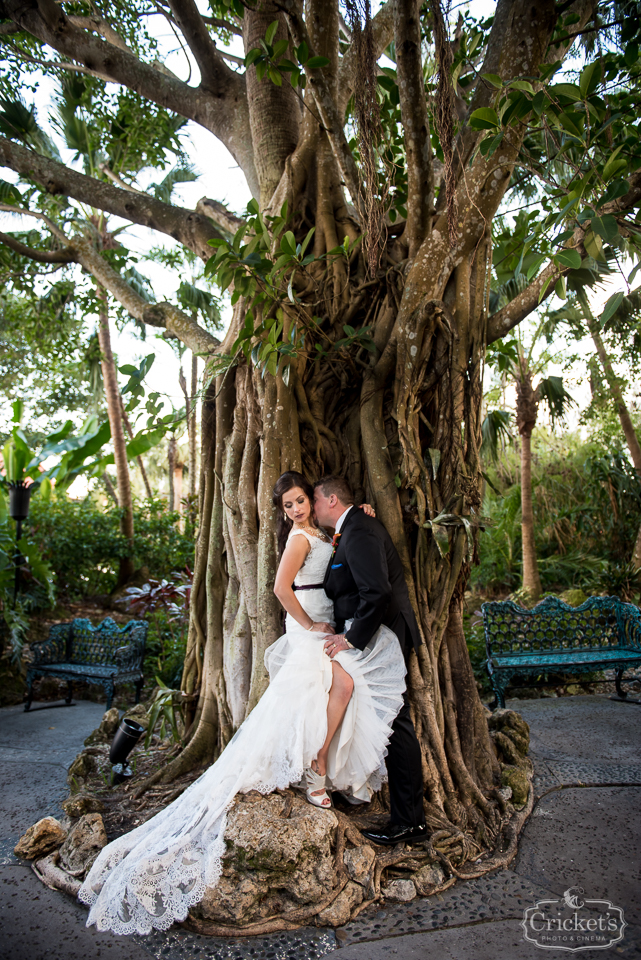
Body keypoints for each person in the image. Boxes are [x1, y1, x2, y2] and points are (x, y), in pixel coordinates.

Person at [78, 471, 407, 936]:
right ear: (282, 511)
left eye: (299, 501)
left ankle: (318, 767)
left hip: (329, 620)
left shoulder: (323, 529)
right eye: (288, 505)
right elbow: (279, 589)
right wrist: (309, 627)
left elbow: (347, 534)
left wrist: (365, 512)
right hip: (308, 624)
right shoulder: (297, 537)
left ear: (313, 501)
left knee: (335, 691)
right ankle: (315, 768)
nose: (295, 509)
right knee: (343, 688)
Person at [313, 475, 427, 846]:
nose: (313, 509)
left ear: (331, 501)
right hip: (374, 634)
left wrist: (350, 638)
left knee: (398, 722)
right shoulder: (351, 529)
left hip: (383, 637)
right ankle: (361, 791)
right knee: (388, 718)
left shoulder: (359, 530)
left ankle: (410, 821)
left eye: (314, 501)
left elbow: (376, 591)